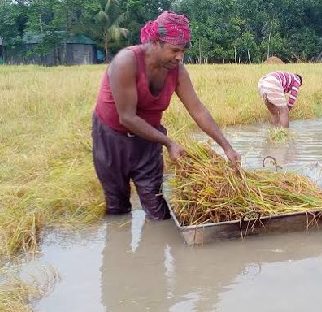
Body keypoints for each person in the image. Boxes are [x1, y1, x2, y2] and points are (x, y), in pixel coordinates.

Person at [91, 11, 241, 219]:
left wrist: (227, 147)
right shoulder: (126, 61)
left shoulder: (177, 70)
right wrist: (169, 142)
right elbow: (127, 117)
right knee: (117, 207)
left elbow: (197, 109)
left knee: (157, 211)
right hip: (111, 138)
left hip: (149, 139)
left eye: (183, 51)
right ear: (155, 43)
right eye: (174, 50)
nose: (180, 57)